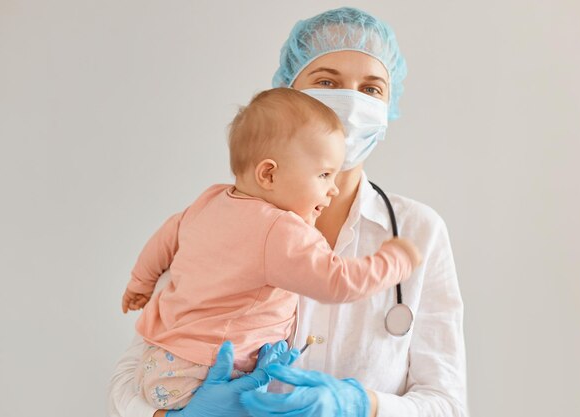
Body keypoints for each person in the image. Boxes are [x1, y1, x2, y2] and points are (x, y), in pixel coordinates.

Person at [108, 7, 468, 417]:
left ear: (389, 106)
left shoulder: (419, 231)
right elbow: (132, 373)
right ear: (290, 92)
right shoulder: (220, 220)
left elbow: (447, 405)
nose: (351, 101)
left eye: (371, 89)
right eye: (327, 81)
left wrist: (361, 406)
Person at [121, 87, 420, 411]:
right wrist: (394, 260)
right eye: (323, 175)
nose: (332, 188)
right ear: (269, 174)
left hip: (160, 363)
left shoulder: (209, 200)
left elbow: (164, 239)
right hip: (202, 374)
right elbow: (338, 280)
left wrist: (140, 283)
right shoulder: (280, 229)